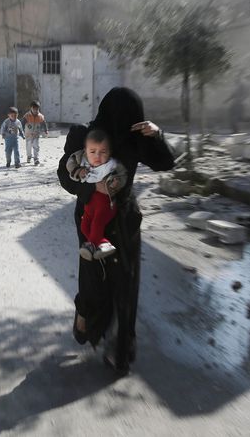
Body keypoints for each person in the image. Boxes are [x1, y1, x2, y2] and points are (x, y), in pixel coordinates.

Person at [57, 87, 175, 375]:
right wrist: (90, 188)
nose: (131, 120)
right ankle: (85, 314)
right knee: (95, 276)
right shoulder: (85, 135)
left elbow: (166, 162)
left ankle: (121, 351)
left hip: (124, 219)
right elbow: (64, 174)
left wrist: (157, 134)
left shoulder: (136, 138)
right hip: (91, 215)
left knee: (125, 282)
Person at [66, 129, 128, 261]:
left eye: (103, 152)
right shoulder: (82, 159)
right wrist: (77, 170)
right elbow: (69, 162)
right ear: (85, 150)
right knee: (84, 226)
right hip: (89, 203)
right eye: (92, 152)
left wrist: (116, 183)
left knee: (97, 225)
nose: (97, 156)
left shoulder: (111, 165)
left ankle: (91, 246)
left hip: (105, 204)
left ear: (109, 152)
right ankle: (103, 244)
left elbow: (123, 175)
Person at [22, 100, 48, 165]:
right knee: (28, 146)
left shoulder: (40, 116)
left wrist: (46, 130)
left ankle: (36, 159)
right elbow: (22, 123)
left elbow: (44, 123)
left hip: (36, 134)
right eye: (34, 109)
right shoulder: (27, 116)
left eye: (37, 109)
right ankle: (29, 156)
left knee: (36, 146)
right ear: (31, 108)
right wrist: (21, 130)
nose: (36, 110)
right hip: (28, 135)